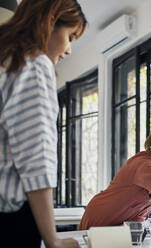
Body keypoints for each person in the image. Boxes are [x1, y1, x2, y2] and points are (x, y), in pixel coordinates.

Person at [0, 1, 87, 247]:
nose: (69, 49)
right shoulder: (34, 64)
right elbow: (37, 158)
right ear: (49, 22)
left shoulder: (5, 61)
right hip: (11, 222)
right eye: (70, 36)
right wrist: (53, 240)